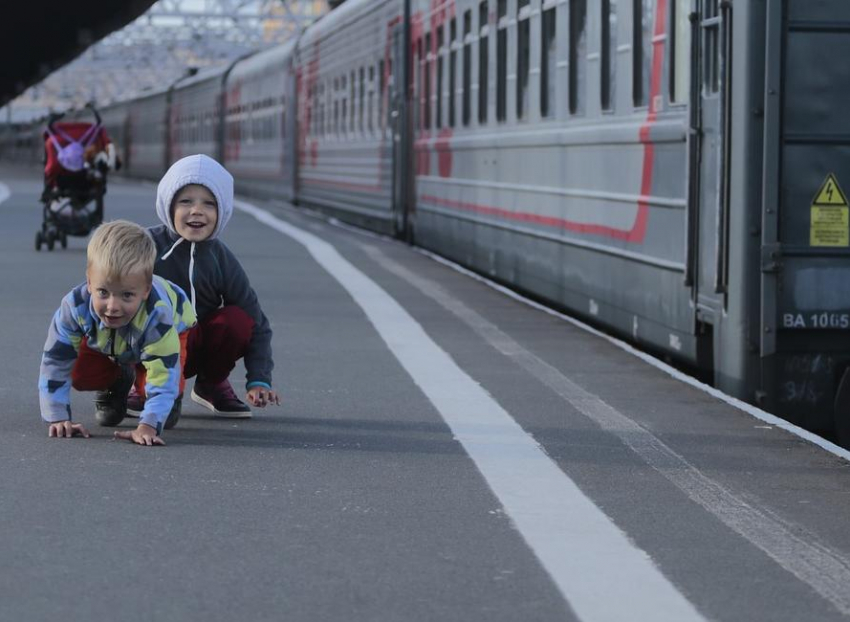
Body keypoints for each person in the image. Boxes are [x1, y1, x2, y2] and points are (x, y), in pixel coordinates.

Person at [127, 154, 280, 420]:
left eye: (209, 204)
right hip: (149, 347)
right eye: (186, 201)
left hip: (195, 347)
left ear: (222, 211)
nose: (197, 210)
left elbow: (257, 323)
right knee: (120, 308)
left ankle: (211, 383)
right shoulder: (145, 246)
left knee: (238, 320)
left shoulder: (221, 258)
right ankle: (137, 384)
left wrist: (259, 378)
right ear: (169, 205)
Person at [38, 220, 197, 446]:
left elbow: (163, 376)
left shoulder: (158, 315)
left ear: (146, 290)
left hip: (168, 332)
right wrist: (58, 417)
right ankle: (119, 379)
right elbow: (55, 361)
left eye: (126, 295)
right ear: (90, 282)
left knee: (162, 409)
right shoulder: (74, 307)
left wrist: (148, 425)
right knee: (79, 373)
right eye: (103, 292)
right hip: (108, 340)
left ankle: (146, 384)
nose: (112, 306)